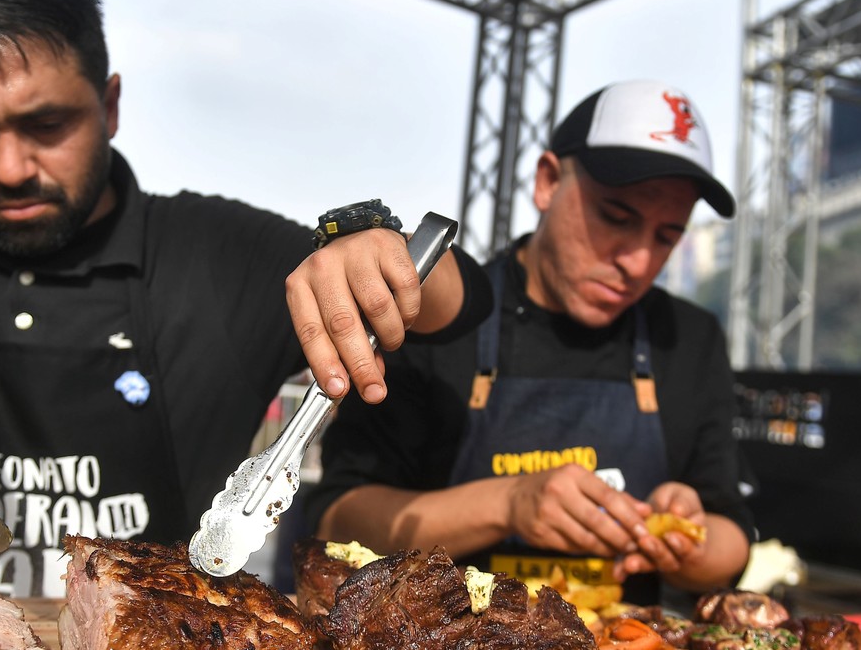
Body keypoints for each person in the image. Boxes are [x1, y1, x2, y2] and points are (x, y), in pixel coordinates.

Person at [0, 0, 487, 598]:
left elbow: (461, 309)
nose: (10, 166)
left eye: (47, 124)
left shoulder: (213, 251)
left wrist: (372, 245)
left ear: (109, 105)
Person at [306, 80, 756, 606]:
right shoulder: (447, 319)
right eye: (616, 217)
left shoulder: (688, 338)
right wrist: (511, 503)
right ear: (547, 181)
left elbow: (733, 537)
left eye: (666, 236)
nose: (636, 262)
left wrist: (687, 539)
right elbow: (337, 520)